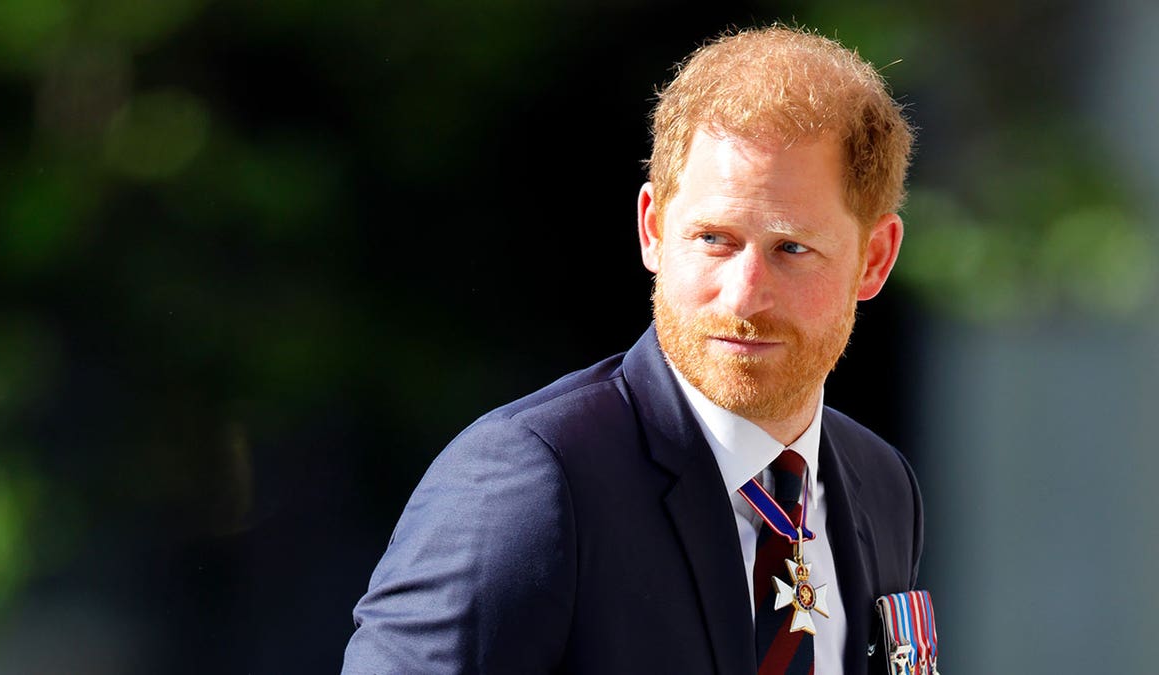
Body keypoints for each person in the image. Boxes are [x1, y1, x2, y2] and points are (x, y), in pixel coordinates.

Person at [342, 25, 922, 675]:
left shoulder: (882, 486)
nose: (742, 297)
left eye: (791, 248)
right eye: (713, 238)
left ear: (874, 258)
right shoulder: (534, 482)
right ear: (652, 229)